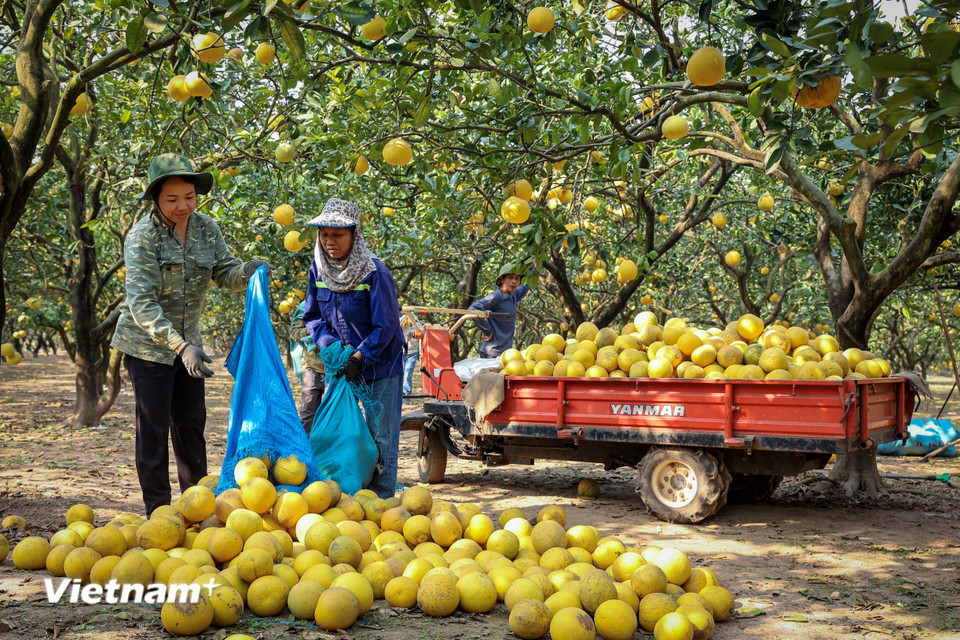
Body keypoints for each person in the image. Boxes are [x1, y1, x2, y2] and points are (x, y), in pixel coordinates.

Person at [111, 152, 272, 515]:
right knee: (153, 431)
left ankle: (195, 508)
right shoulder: (142, 237)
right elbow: (142, 303)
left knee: (191, 426)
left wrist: (249, 271)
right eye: (172, 199)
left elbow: (225, 272)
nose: (183, 206)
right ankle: (158, 513)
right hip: (148, 348)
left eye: (189, 197)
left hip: (189, 348)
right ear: (155, 198)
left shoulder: (206, 229)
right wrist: (181, 346)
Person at [303, 198, 404, 499]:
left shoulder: (374, 272)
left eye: (338, 235)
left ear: (354, 234)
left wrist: (360, 356)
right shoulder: (318, 269)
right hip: (341, 365)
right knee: (340, 433)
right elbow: (313, 316)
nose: (329, 241)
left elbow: (386, 325)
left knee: (381, 438)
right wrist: (330, 347)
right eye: (324, 234)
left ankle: (380, 502)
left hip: (379, 366)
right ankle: (345, 496)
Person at [467, 265, 531, 359]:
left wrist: (535, 265)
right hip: (492, 353)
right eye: (510, 277)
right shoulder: (496, 296)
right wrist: (488, 330)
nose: (513, 281)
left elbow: (528, 283)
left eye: (517, 278)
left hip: (505, 354)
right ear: (502, 279)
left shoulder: (514, 295)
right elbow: (473, 309)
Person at [289, 299, 324, 434]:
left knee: (332, 414)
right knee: (308, 412)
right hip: (311, 368)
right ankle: (306, 444)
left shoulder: (337, 301)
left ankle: (328, 444)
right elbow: (294, 332)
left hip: (334, 368)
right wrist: (308, 331)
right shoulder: (307, 306)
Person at [401, 315, 420, 403]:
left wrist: (417, 322)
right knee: (401, 374)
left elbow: (422, 332)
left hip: (412, 353)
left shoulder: (417, 326)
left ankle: (407, 396)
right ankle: (400, 394)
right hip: (401, 353)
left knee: (407, 373)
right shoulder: (403, 323)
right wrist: (404, 317)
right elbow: (395, 324)